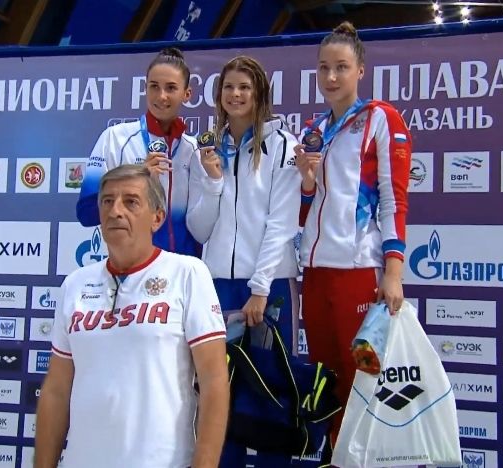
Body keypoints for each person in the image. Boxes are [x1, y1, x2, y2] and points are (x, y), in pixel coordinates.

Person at [36, 165, 229, 468]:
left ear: (157, 218)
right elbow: (57, 390)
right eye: (107, 201)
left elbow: (214, 380)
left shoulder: (187, 273)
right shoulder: (74, 284)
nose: (116, 211)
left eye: (131, 202)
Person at [296, 21, 412, 450]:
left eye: (341, 67)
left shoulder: (380, 118)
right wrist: (306, 183)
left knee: (363, 378)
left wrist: (393, 272)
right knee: (325, 378)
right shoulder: (314, 129)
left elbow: (393, 200)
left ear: (360, 70)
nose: (331, 76)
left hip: (358, 268)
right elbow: (305, 211)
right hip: (315, 271)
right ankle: (335, 456)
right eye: (324, 67)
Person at [186, 55, 301, 467]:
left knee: (272, 393)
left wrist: (260, 287)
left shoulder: (283, 145)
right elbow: (199, 229)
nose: (235, 94)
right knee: (221, 395)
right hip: (219, 285)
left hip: (269, 287)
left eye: (244, 87)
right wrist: (213, 181)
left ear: (259, 94)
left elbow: (281, 223)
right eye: (228, 87)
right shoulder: (205, 149)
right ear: (218, 94)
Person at [76, 47, 201, 256]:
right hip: (131, 266)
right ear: (145, 88)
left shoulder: (194, 150)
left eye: (171, 88)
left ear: (186, 94)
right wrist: (137, 181)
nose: (161, 96)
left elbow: (202, 224)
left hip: (180, 267)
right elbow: (86, 213)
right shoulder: (115, 139)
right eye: (154, 86)